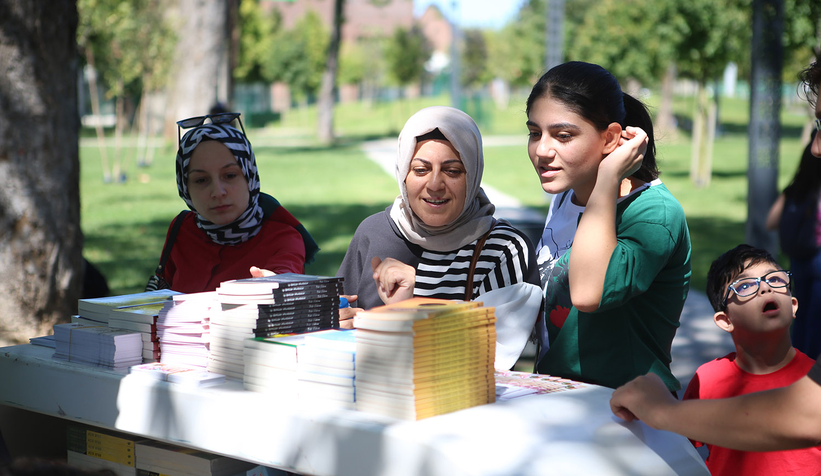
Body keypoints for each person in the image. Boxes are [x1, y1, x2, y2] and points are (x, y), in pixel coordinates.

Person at [610, 54, 821, 454]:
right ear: (723, 319)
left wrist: (661, 411)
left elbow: (808, 413)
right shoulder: (709, 379)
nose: (815, 147)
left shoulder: (656, 212)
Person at [526, 61, 691, 392]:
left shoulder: (654, 213)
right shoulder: (567, 194)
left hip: (626, 412)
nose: (542, 150)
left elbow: (588, 293)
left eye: (562, 135)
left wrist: (608, 178)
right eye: (534, 133)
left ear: (612, 137)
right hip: (558, 401)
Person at [336, 106, 542, 369]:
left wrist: (404, 312)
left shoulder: (503, 249)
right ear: (403, 174)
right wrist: (338, 322)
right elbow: (338, 320)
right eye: (421, 170)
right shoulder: (373, 233)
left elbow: (492, 358)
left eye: (452, 171)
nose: (434, 184)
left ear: (474, 174)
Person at [681, 244, 820, 474]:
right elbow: (679, 448)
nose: (766, 288)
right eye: (745, 286)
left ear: (793, 305)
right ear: (726, 320)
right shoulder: (707, 380)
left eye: (775, 279)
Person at [151, 112, 318, 294]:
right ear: (184, 187)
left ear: (250, 176)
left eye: (230, 175)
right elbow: (160, 296)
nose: (218, 192)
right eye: (201, 180)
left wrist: (275, 283)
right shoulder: (181, 229)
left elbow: (285, 278)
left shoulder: (284, 238)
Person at [765, 131, 821, 360]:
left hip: (799, 260)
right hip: (819, 259)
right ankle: (811, 373)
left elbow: (771, 222)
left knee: (800, 316)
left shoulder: (795, 189)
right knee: (816, 320)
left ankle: (797, 366)